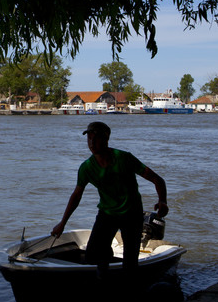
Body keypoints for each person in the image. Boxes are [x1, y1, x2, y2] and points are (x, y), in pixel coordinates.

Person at [51, 121, 168, 283]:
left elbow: (157, 179)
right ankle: (106, 277)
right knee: (93, 254)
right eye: (89, 139)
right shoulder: (86, 167)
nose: (92, 143)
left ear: (106, 140)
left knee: (130, 261)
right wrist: (62, 223)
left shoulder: (124, 158)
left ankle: (129, 290)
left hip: (131, 213)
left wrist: (163, 201)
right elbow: (76, 196)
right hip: (107, 214)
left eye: (96, 139)